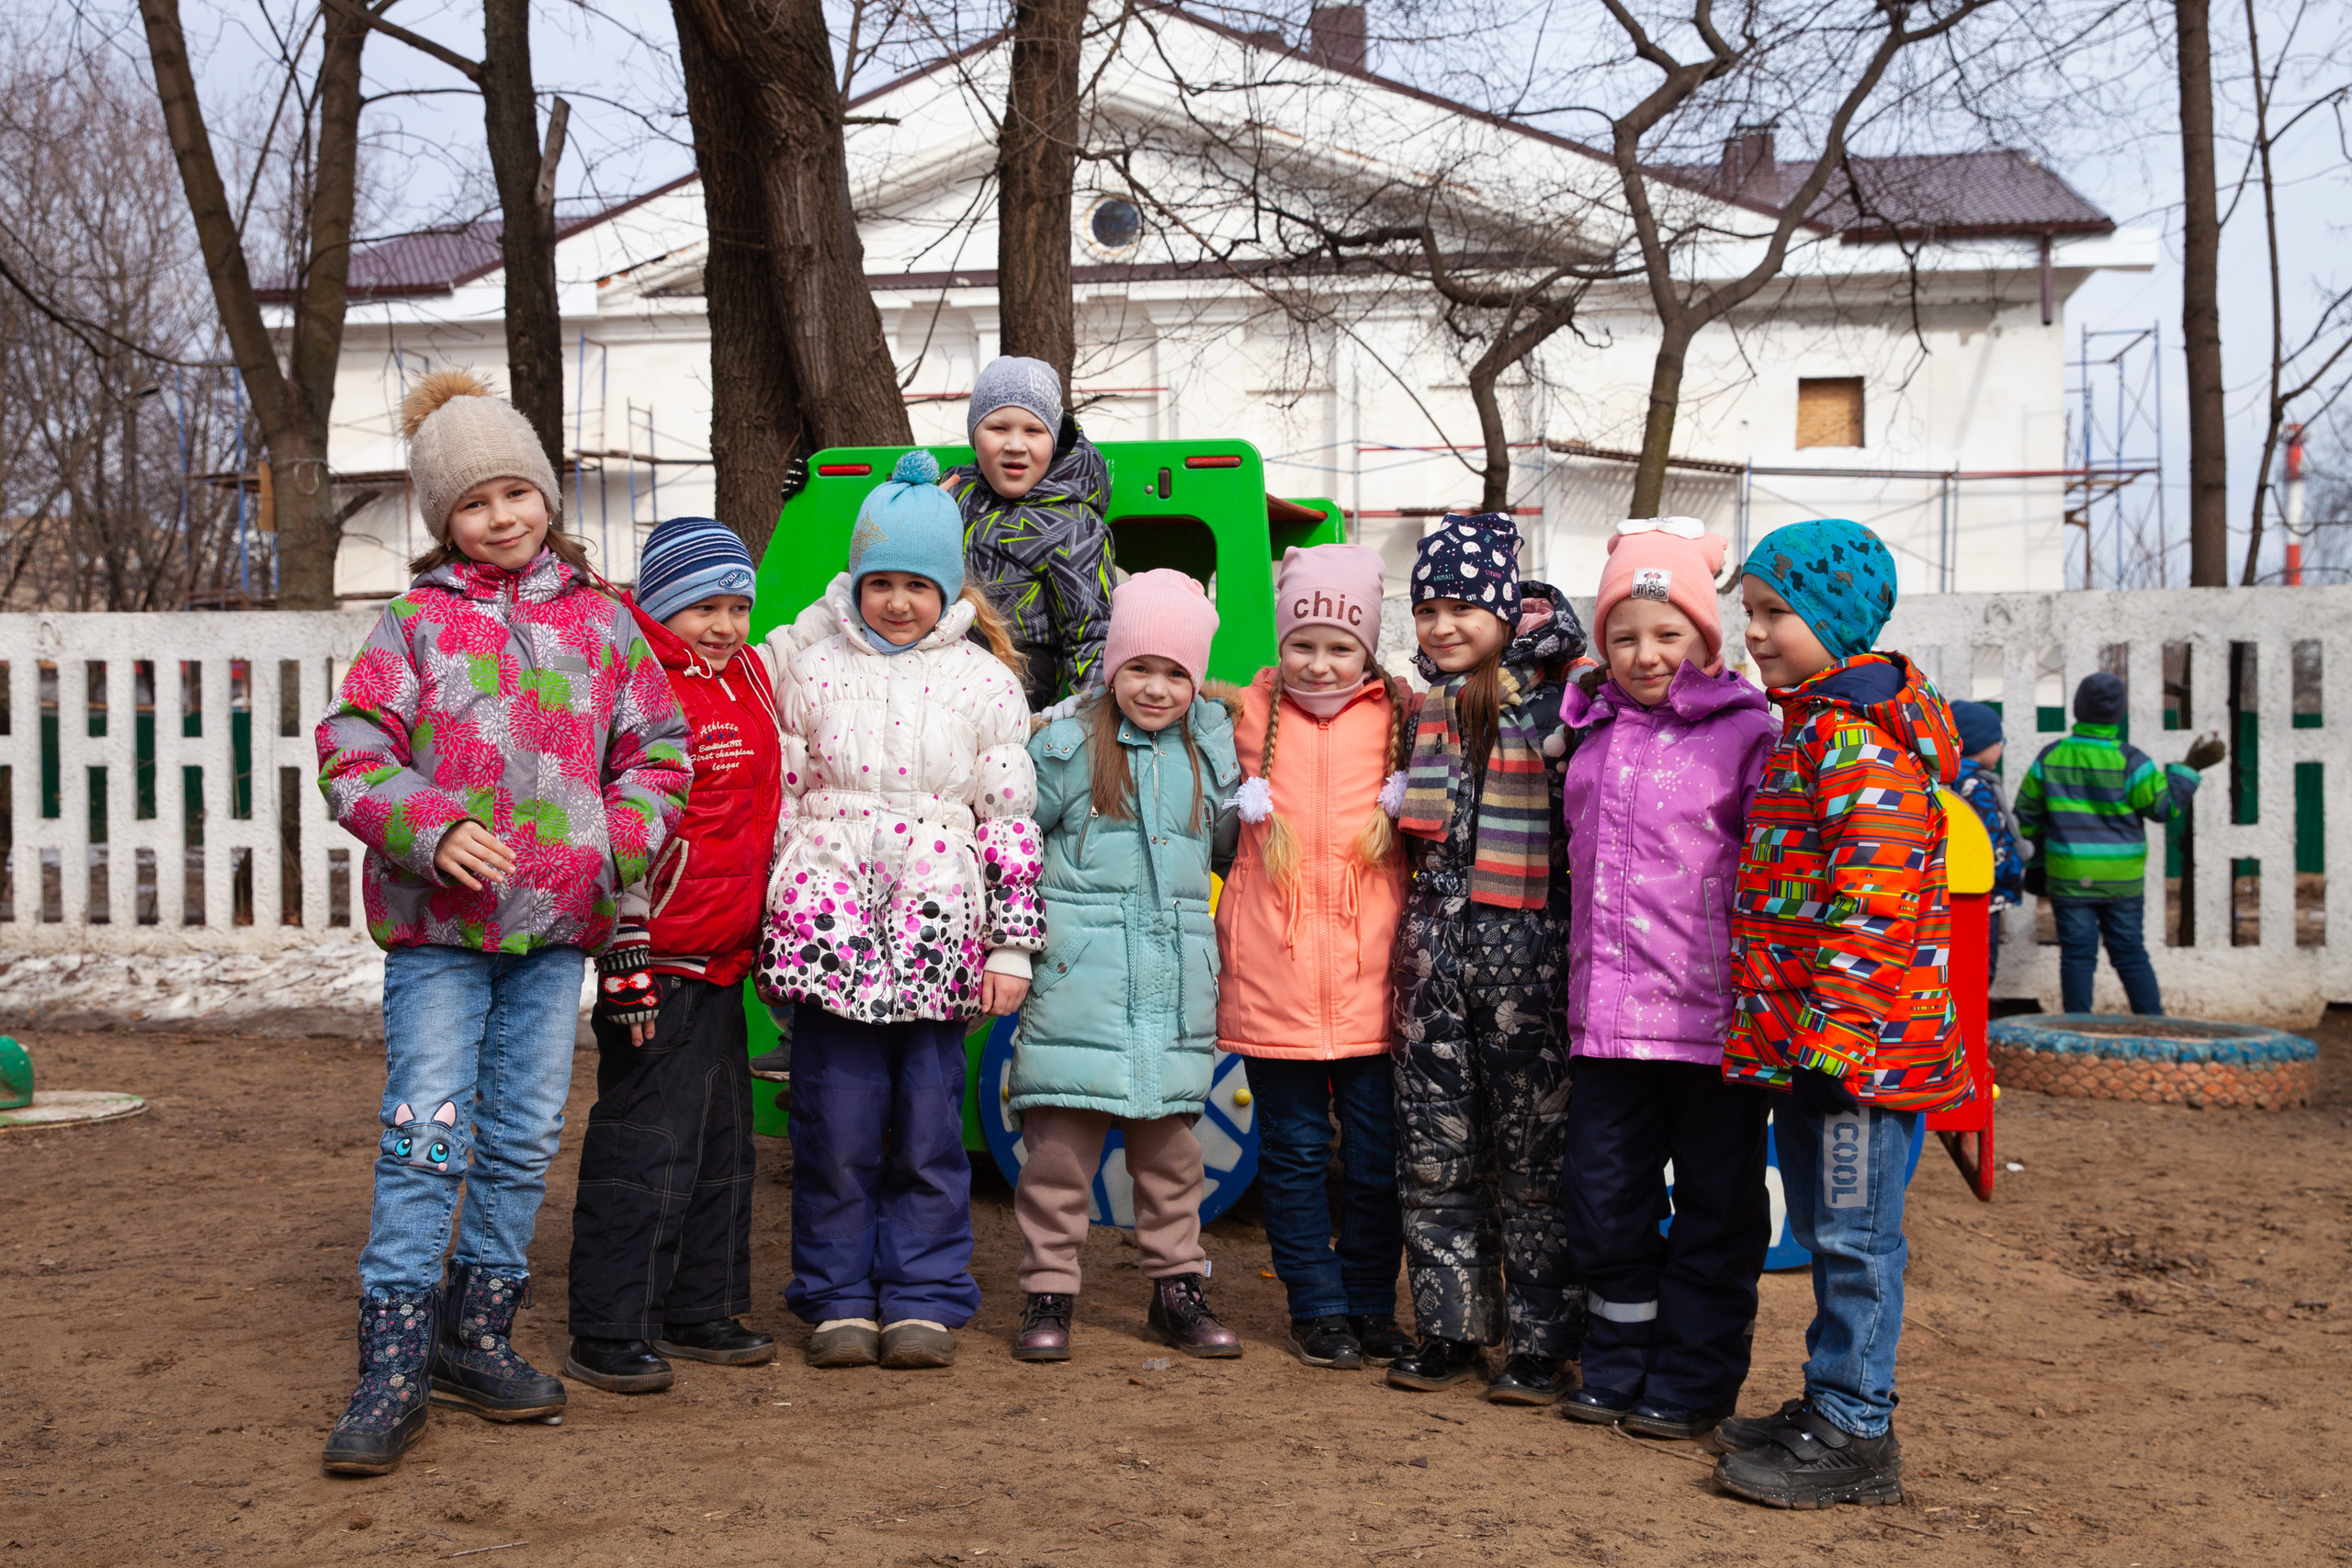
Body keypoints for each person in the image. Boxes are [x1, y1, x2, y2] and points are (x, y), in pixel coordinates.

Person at [314, 370, 692, 1475]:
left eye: (514, 493)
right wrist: (426, 828)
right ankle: (391, 1357)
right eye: (473, 504)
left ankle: (477, 1335)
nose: (500, 517)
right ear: (445, 522)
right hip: (440, 936)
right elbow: (351, 753)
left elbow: (658, 758)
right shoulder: (414, 624)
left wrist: (609, 846)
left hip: (553, 939)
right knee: (428, 1129)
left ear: (545, 495)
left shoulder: (604, 624)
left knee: (523, 1136)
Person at [754, 450, 1044, 1371]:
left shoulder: (982, 684)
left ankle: (922, 1293)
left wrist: (1011, 944)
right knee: (834, 1130)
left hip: (934, 938)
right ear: (854, 583)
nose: (896, 603)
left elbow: (1008, 820)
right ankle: (837, 1295)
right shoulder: (810, 672)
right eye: (879, 582)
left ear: (947, 585)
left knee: (926, 1131)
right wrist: (775, 915)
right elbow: (780, 802)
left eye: (916, 584)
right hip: (827, 935)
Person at [1711, 518, 1971, 1510]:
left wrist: (1833, 1040)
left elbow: (1874, 906)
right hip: (1815, 1050)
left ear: (1835, 618)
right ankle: (1831, 1397)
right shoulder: (1810, 727)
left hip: (1858, 1062)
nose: (1758, 634)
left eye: (1776, 614)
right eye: (1751, 615)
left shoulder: (1859, 747)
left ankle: (1858, 1431)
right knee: (1828, 1229)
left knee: (1857, 1239)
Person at [1555, 518, 1779, 1442]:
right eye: (1623, 635)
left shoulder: (1748, 736)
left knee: (1718, 1209)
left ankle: (1693, 1376)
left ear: (1705, 637)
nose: (1644, 654)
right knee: (1605, 1204)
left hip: (1711, 1023)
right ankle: (1616, 1359)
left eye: (1667, 632)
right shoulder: (1587, 735)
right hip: (1606, 1023)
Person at [563, 516, 782, 1394]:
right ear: (660, 605)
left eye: (736, 605)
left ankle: (702, 1305)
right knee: (647, 1140)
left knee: (725, 1144)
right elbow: (616, 820)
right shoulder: (638, 684)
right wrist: (626, 945)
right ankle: (610, 1324)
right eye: (702, 608)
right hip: (657, 954)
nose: (724, 625)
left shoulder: (751, 675)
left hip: (727, 953)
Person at [1007, 570, 1248, 1362]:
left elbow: (1220, 850)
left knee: (1173, 1157)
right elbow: (1013, 839)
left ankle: (1175, 1286)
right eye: (1140, 666)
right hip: (1082, 986)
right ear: (1112, 664)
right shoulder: (1068, 745)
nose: (1156, 686)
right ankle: (1050, 1287)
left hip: (1173, 988)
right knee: (1059, 1157)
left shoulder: (1209, 753)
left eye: (1176, 671)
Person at [1383, 513, 1588, 1405]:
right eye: (1426, 606)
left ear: (1506, 607)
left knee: (1535, 1161)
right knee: (1434, 1153)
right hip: (1431, 959)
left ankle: (1542, 1344)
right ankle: (1451, 1328)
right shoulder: (1422, 705)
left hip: (1530, 962)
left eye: (1463, 604)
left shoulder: (1562, 702)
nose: (1441, 625)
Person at [1215, 544, 1417, 1371]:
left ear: (1368, 649)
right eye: (1304, 644)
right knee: (1296, 1153)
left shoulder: (1400, 720)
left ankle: (1371, 1300)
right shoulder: (1248, 718)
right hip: (1277, 975)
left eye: (1341, 647)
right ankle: (1317, 1304)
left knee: (1376, 1157)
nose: (1320, 662)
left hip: (1375, 982)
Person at [2015, 673, 2224, 1015]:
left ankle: (2075, 1032)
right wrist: (2190, 768)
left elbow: (2025, 817)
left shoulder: (2051, 757)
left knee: (2077, 956)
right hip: (2122, 881)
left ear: (2077, 709)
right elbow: (2163, 807)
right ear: (2119, 714)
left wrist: (2035, 868)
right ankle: (2153, 1028)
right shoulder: (2132, 761)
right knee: (2129, 953)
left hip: (2069, 877)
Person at [944, 355, 1116, 712]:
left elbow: (1092, 633)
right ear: (974, 435)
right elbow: (893, 554)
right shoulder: (953, 492)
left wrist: (1093, 724)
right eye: (998, 428)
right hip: (934, 666)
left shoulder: (1073, 526)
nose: (1015, 445)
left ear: (1053, 440)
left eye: (1033, 431)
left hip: (1014, 683)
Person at [1947, 701, 2026, 986]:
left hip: (1947, 892)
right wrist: (2009, 878)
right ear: (1981, 743)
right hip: (1982, 893)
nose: (2001, 747)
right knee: (1979, 971)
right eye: (1999, 741)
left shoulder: (1943, 778)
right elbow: (1992, 842)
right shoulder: (1975, 785)